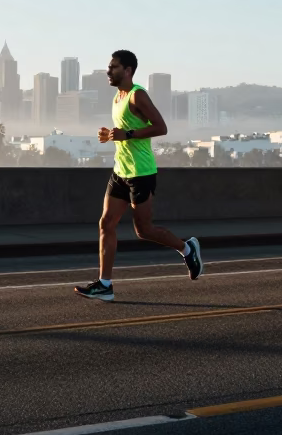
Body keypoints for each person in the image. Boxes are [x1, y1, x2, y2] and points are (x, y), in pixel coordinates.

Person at [75, 50, 202, 302]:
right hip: (120, 170)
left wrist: (128, 135)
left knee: (143, 230)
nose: (108, 71)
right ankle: (105, 285)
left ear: (128, 70)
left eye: (113, 67)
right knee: (106, 224)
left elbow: (160, 127)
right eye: (109, 67)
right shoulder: (117, 97)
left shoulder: (137, 95)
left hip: (140, 172)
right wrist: (111, 135)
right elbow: (124, 129)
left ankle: (187, 248)